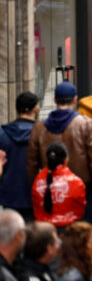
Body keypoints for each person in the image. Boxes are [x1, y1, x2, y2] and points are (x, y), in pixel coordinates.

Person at [28, 82, 92, 225]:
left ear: (55, 100)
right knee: (81, 236)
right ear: (75, 99)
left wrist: (36, 191)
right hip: (81, 191)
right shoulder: (86, 125)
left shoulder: (39, 128)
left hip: (51, 191)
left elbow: (32, 165)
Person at [0, 92, 40, 220]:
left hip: (9, 196)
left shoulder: (3, 134)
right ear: (36, 108)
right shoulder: (41, 134)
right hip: (34, 194)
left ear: (17, 109)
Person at [32, 142, 86, 228]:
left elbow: (36, 206)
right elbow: (79, 211)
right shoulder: (76, 181)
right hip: (69, 228)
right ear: (66, 160)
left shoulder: (38, 179)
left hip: (43, 228)